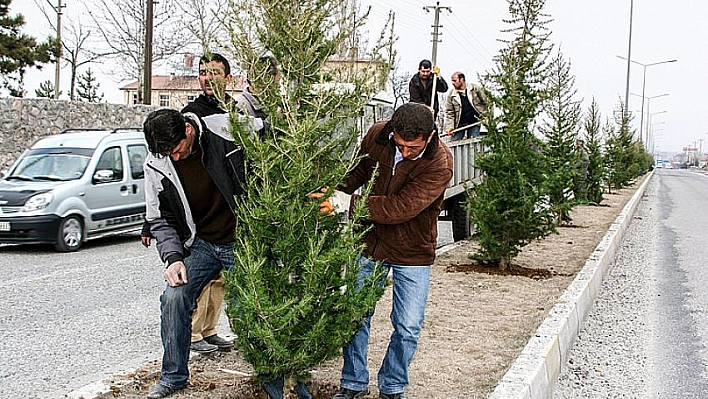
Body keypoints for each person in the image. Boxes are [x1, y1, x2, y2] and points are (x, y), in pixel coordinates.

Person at [324, 102, 453, 399]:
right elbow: (358, 172)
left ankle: (393, 385)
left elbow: (401, 208)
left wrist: (348, 204)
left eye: (413, 148)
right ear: (393, 131)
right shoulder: (378, 135)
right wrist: (332, 189)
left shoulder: (440, 162)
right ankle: (353, 382)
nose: (406, 152)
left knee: (408, 326)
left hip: (412, 250)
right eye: (402, 144)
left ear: (430, 137)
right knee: (356, 314)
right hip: (369, 242)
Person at [141, 98, 246, 397]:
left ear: (187, 130)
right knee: (173, 297)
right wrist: (173, 259)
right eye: (165, 154)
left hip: (242, 240)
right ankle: (173, 377)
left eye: (175, 150)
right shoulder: (156, 162)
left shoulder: (225, 130)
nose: (173, 159)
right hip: (201, 243)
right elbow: (159, 219)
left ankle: (269, 375)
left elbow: (271, 136)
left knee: (248, 308)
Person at [443, 71, 487, 141]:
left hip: (474, 122)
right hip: (459, 124)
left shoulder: (475, 89)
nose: (453, 83)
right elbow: (450, 112)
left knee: (473, 142)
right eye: (452, 81)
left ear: (461, 80)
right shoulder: (451, 95)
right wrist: (449, 127)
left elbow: (487, 102)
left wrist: (487, 116)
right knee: (454, 142)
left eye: (455, 81)